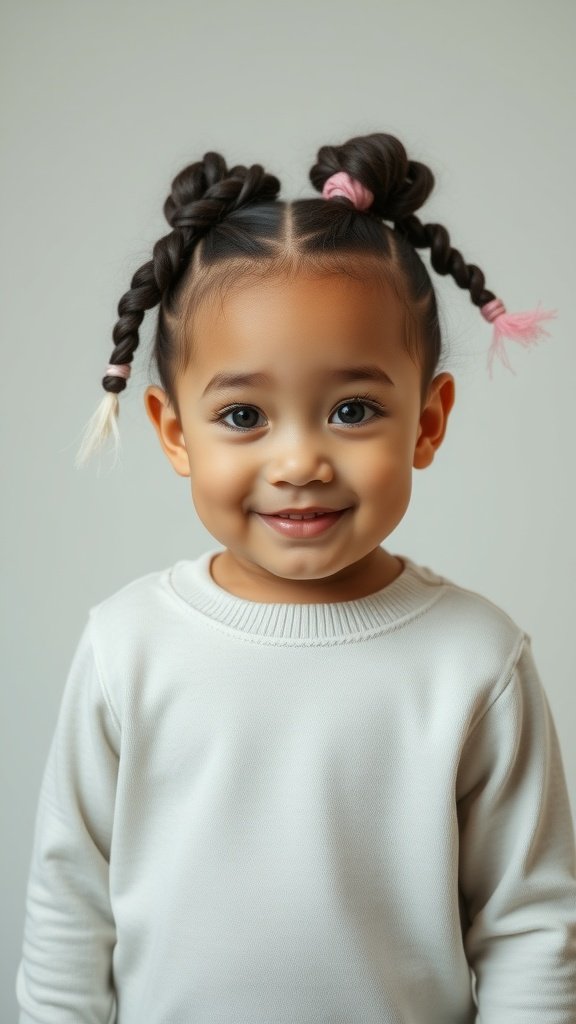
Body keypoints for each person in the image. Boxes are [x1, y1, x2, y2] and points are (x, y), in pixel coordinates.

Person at [16, 132, 575, 1023]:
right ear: (173, 432)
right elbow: (70, 907)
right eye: (243, 415)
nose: (300, 460)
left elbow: (527, 927)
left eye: (353, 410)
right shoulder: (129, 646)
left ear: (427, 423)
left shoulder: (477, 659)